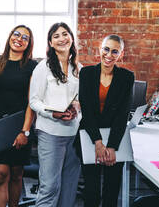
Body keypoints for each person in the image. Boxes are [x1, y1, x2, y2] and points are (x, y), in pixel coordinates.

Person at [76, 34, 134, 207]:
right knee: (91, 192)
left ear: (121, 54)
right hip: (90, 137)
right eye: (106, 49)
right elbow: (86, 111)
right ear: (100, 50)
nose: (109, 55)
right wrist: (98, 142)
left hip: (114, 140)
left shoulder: (126, 77)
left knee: (111, 191)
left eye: (114, 51)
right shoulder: (86, 73)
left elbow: (122, 115)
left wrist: (111, 146)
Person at [0, 25, 37, 207]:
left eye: (25, 37)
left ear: (29, 44)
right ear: (9, 36)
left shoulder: (31, 66)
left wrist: (25, 131)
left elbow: (32, 101)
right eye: (16, 34)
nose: (19, 39)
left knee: (16, 175)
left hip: (21, 125)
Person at [29, 22, 81, 207]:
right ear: (50, 43)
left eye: (65, 34)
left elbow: (79, 99)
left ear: (71, 38)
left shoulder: (78, 67)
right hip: (50, 133)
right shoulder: (43, 67)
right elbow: (34, 101)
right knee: (50, 187)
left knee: (69, 188)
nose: (62, 39)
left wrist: (76, 108)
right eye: (56, 36)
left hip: (73, 135)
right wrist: (54, 114)